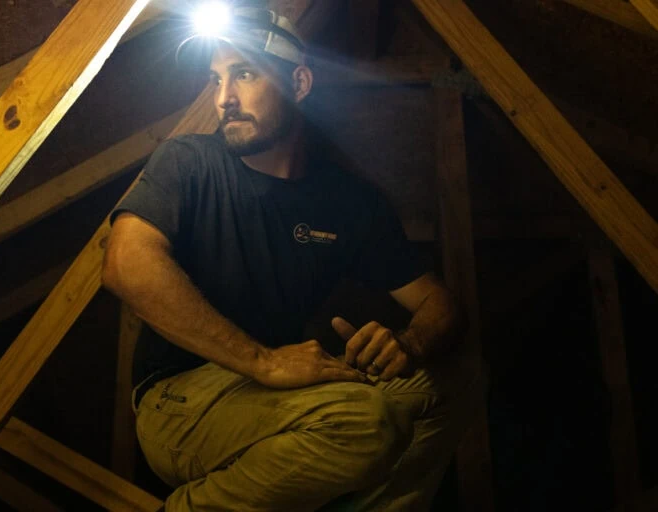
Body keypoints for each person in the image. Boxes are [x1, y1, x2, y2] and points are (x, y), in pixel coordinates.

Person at [102, 6, 481, 511]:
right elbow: (125, 262)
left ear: (299, 82)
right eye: (216, 79)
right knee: (363, 421)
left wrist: (408, 343)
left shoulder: (348, 202)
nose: (223, 98)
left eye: (244, 74)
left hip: (278, 397)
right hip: (178, 401)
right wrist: (265, 361)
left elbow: (442, 305)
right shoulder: (190, 161)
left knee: (457, 380)